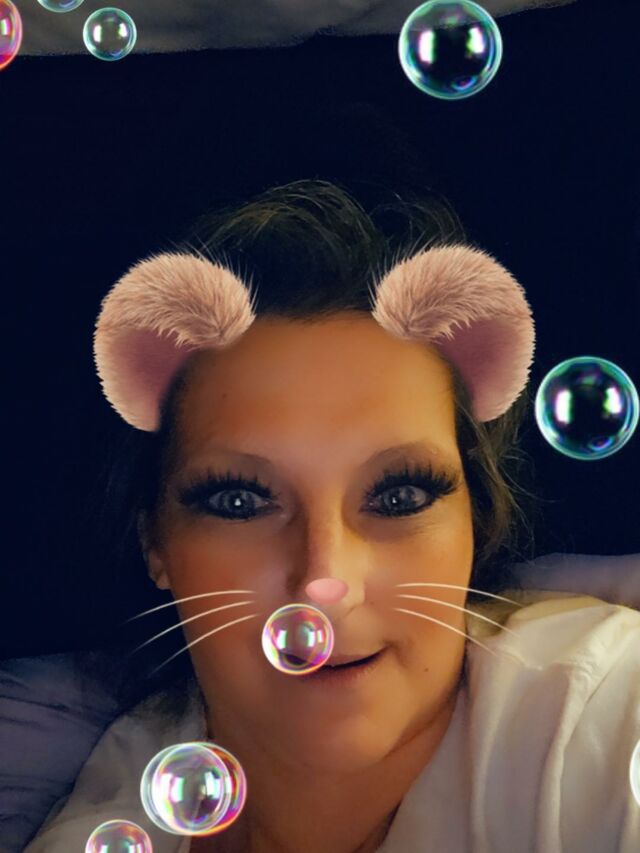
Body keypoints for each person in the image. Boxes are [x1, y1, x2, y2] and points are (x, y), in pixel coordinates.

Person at [25, 179, 640, 852]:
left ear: (478, 515)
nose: (326, 582)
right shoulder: (107, 801)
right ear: (155, 542)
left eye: (400, 496)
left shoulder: (600, 717)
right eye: (239, 501)